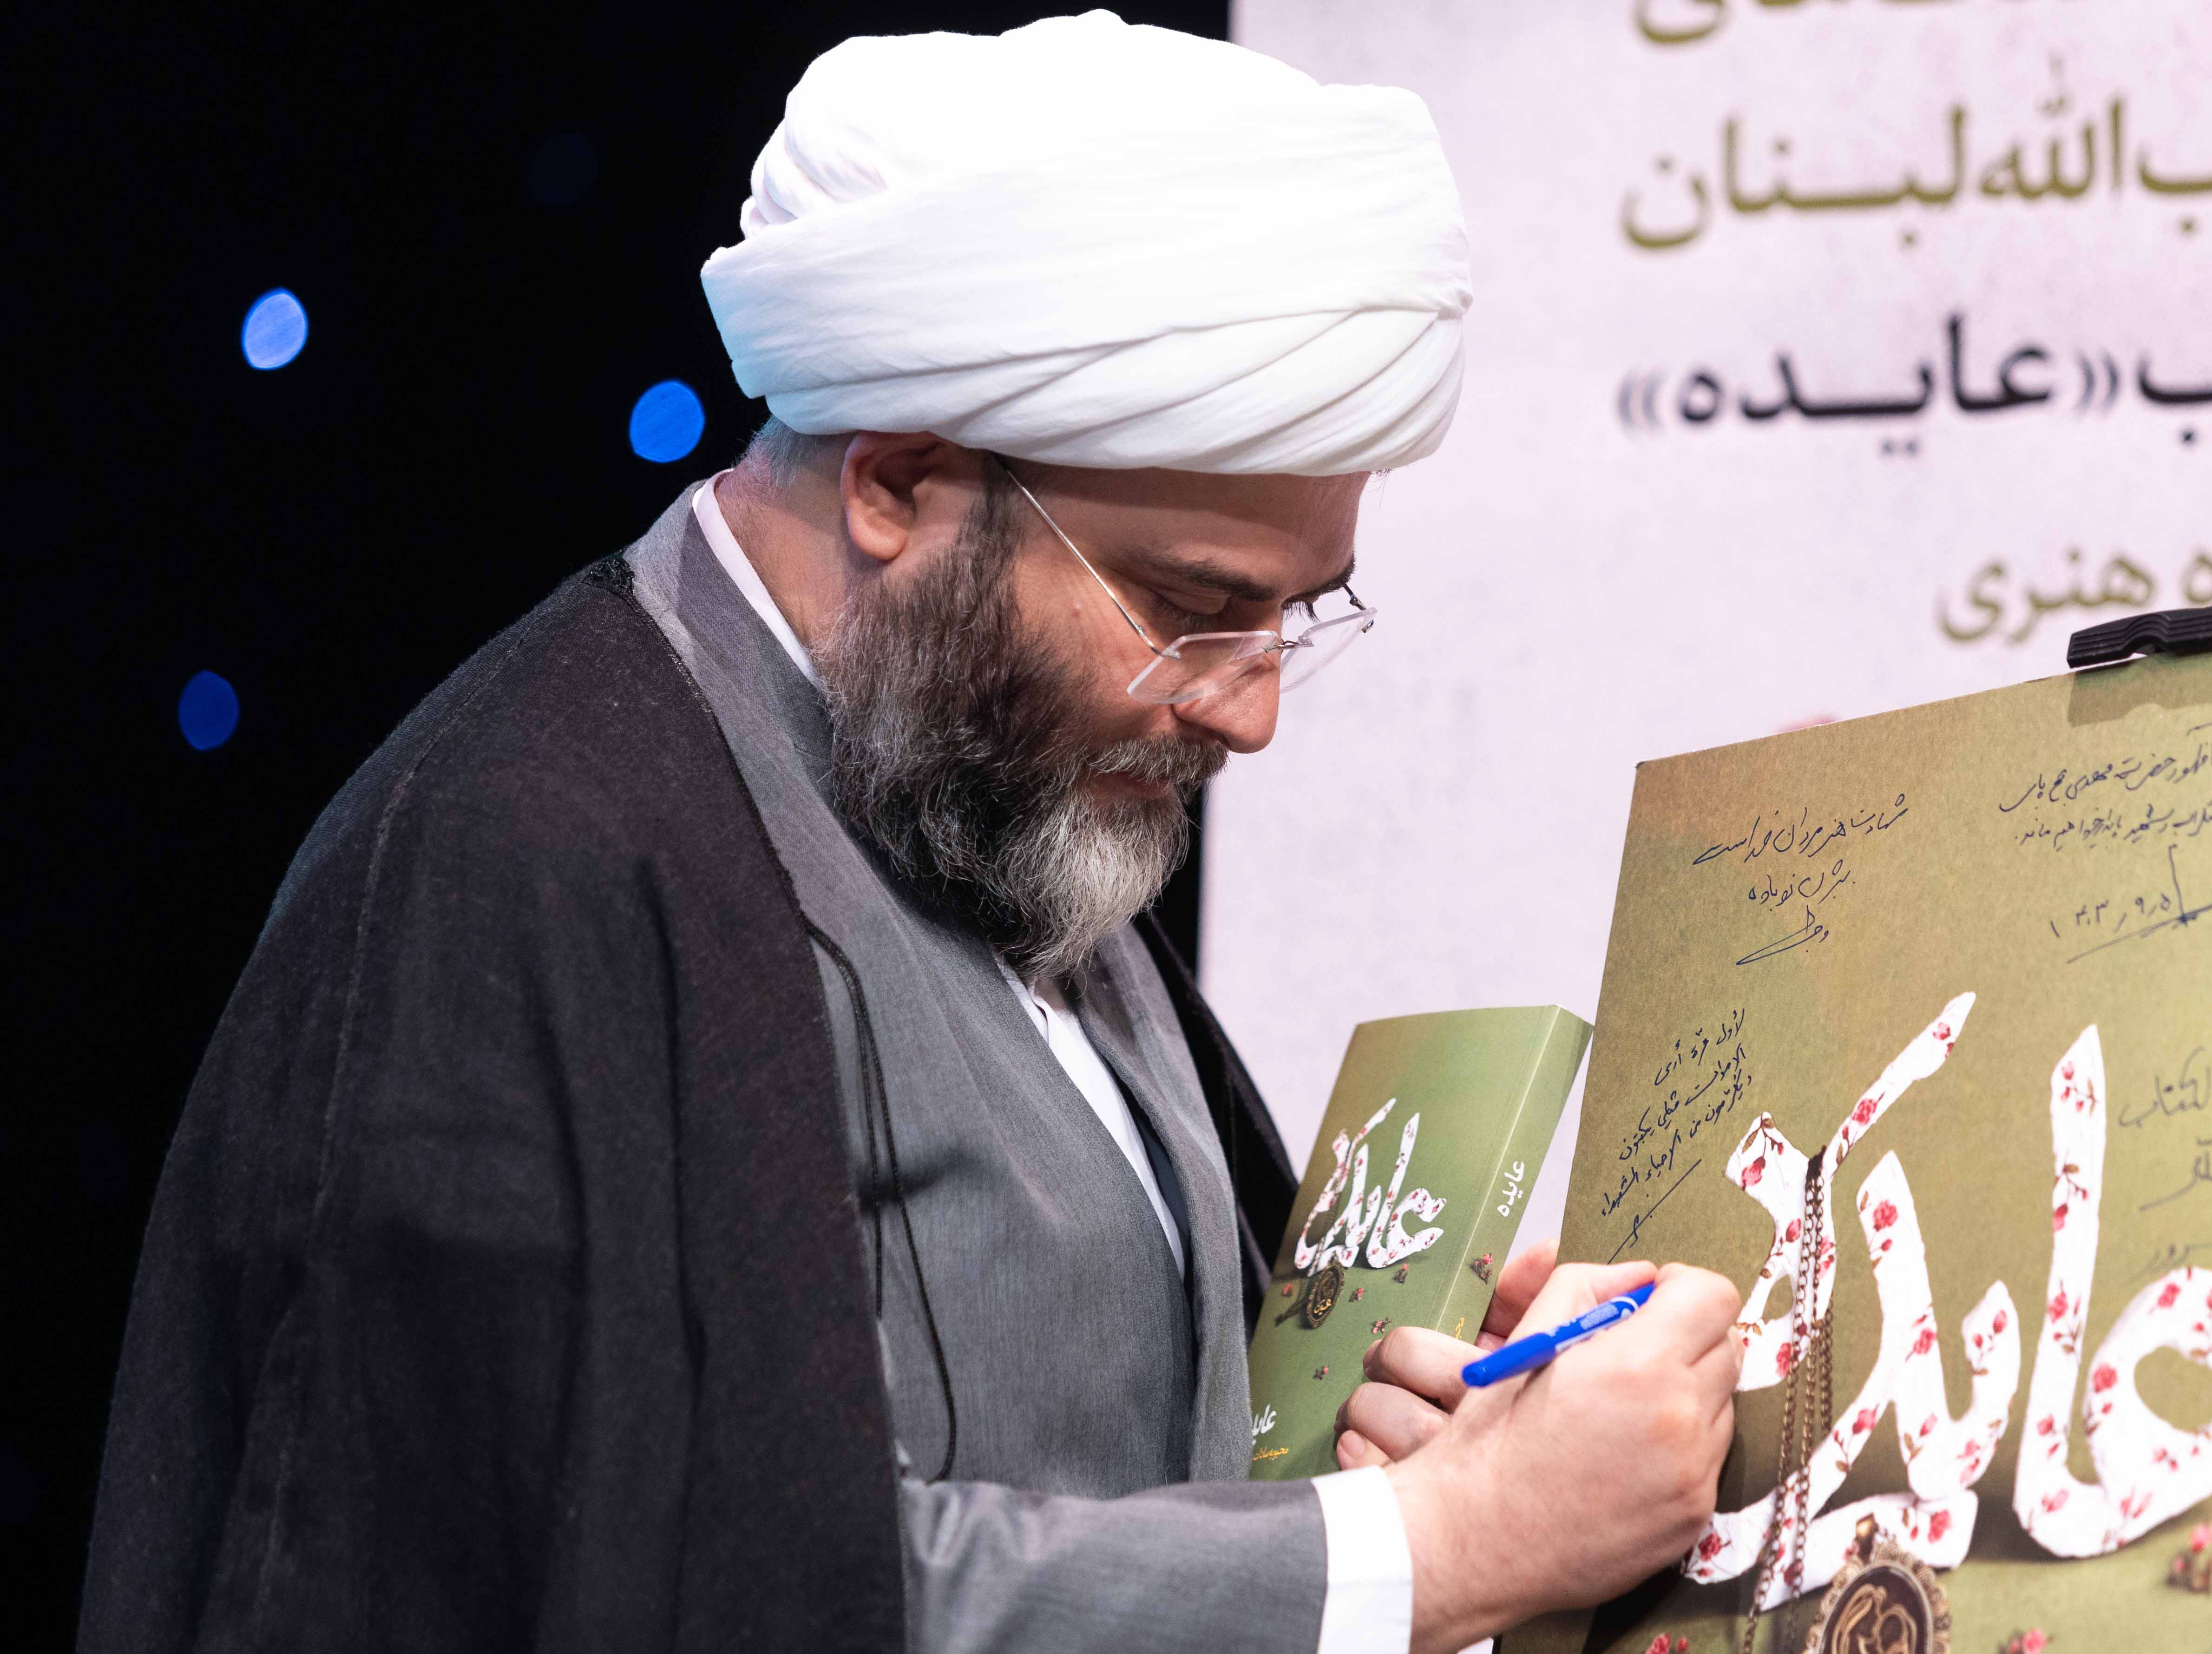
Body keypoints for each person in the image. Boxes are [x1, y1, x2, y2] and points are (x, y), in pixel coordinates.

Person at [80, 14, 1739, 1654]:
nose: (1251, 715)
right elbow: (656, 1582)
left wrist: (1418, 1431)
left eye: (1293, 617)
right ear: (895, 485)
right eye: (1190, 608)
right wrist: (1435, 1549)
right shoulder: (522, 862)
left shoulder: (974, 777)